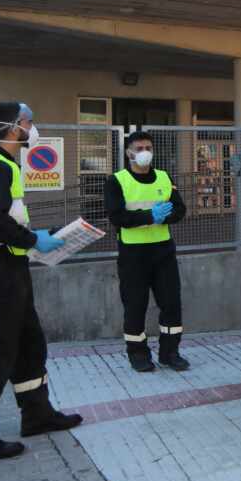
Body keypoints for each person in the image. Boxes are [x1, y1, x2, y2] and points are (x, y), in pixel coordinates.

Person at [0, 101, 83, 463]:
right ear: (14, 127)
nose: (33, 127)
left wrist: (31, 235)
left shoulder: (3, 163)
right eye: (29, 121)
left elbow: (0, 219)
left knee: (28, 344)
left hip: (7, 268)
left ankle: (37, 415)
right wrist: (32, 240)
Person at [105, 131, 189, 372]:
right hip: (133, 254)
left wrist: (167, 216)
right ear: (128, 152)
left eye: (148, 148)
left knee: (171, 303)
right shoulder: (117, 180)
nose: (145, 153)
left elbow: (180, 209)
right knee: (135, 305)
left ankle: (170, 352)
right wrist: (150, 216)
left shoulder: (163, 177)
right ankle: (138, 355)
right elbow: (116, 216)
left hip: (163, 252)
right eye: (139, 148)